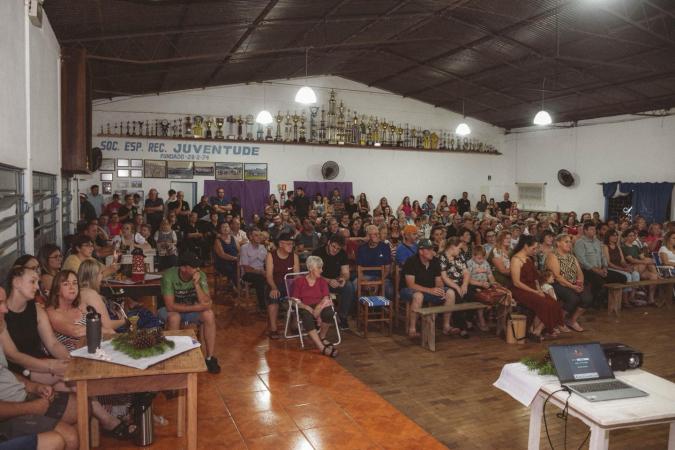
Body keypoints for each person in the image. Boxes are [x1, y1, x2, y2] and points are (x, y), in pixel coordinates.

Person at [0, 287, 78, 450]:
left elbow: (3, 372)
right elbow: (15, 356)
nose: (5, 309)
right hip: (8, 415)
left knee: (81, 405)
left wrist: (33, 387)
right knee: (68, 437)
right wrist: (31, 408)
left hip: (22, 396)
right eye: (0, 303)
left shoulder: (31, 310)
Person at [160, 252, 220, 374]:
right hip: (168, 311)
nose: (197, 269)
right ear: (183, 268)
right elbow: (170, 306)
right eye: (194, 266)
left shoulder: (200, 275)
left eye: (197, 266)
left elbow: (207, 303)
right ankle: (173, 357)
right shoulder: (169, 275)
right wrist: (197, 307)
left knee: (209, 315)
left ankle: (209, 358)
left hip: (190, 310)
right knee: (174, 317)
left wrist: (196, 285)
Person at [45, 270, 118, 352]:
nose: (72, 287)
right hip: (71, 356)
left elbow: (106, 330)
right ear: (57, 290)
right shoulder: (52, 311)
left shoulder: (80, 306)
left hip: (94, 350)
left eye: (75, 283)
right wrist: (105, 330)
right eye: (66, 284)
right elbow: (76, 331)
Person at [510, 236, 566, 342]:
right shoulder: (516, 260)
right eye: (533, 248)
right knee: (544, 303)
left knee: (553, 303)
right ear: (526, 246)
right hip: (520, 290)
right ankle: (536, 331)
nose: (535, 251)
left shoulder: (528, 258)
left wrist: (539, 289)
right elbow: (516, 282)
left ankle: (537, 330)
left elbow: (535, 279)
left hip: (532, 288)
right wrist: (535, 292)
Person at [401, 239, 456, 338]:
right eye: (429, 249)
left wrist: (440, 290)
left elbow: (438, 281)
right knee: (418, 296)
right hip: (409, 290)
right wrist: (430, 290)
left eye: (432, 249)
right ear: (421, 251)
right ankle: (412, 329)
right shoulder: (411, 261)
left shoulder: (435, 261)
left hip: (429, 290)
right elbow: (411, 285)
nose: (432, 252)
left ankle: (446, 326)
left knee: (450, 293)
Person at [289, 256, 338, 357]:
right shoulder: (299, 281)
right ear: (311, 268)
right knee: (307, 316)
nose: (322, 270)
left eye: (321, 267)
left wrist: (317, 310)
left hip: (319, 305)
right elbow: (294, 300)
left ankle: (322, 336)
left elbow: (326, 298)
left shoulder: (322, 281)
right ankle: (321, 347)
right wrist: (308, 308)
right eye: (319, 267)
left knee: (329, 312)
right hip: (304, 306)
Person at [545, 234, 593, 332]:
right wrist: (572, 286)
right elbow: (557, 276)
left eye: (570, 242)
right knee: (573, 298)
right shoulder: (553, 255)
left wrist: (580, 284)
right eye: (566, 242)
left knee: (587, 298)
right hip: (558, 283)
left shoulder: (572, 257)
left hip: (573, 284)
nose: (569, 244)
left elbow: (579, 272)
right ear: (558, 243)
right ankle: (559, 321)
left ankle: (572, 320)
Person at [574, 222, 625, 306]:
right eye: (591, 229)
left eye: (594, 229)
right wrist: (597, 270)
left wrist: (604, 267)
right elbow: (582, 261)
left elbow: (603, 256)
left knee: (622, 278)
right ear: (585, 231)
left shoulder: (597, 242)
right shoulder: (580, 243)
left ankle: (610, 300)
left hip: (601, 269)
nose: (594, 231)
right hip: (587, 270)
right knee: (600, 282)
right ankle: (596, 303)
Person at [312, 235, 353, 330]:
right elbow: (313, 273)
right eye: (333, 246)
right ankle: (317, 317)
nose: (335, 250)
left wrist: (342, 279)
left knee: (349, 286)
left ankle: (342, 316)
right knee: (315, 287)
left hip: (335, 280)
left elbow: (346, 273)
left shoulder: (342, 253)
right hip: (320, 281)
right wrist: (328, 280)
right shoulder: (318, 253)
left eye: (338, 249)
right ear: (329, 242)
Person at [265, 233, 300, 339]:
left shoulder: (294, 256)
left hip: (290, 285)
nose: (291, 246)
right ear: (280, 244)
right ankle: (273, 329)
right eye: (288, 244)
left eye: (292, 244)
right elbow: (269, 276)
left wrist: (297, 290)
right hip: (275, 284)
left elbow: (296, 276)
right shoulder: (271, 255)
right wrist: (274, 288)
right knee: (273, 297)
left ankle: (294, 324)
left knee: (299, 297)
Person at [603, 230, 641, 307]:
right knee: (627, 276)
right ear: (608, 237)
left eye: (616, 235)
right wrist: (623, 269)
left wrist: (627, 266)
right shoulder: (605, 247)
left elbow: (622, 261)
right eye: (613, 235)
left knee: (636, 274)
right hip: (611, 268)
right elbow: (608, 263)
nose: (615, 237)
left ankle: (631, 297)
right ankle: (625, 300)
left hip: (620, 267)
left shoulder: (618, 247)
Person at [356, 225, 393, 299]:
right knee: (354, 286)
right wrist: (365, 282)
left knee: (389, 291)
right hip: (366, 276)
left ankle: (383, 305)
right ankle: (362, 304)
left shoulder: (385, 247)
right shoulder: (361, 248)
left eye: (378, 233)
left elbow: (387, 269)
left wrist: (378, 283)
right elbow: (359, 269)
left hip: (382, 276)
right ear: (368, 236)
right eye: (375, 234)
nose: (378, 236)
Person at [240, 229, 269, 313]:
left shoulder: (263, 247)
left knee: (274, 276)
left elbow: (267, 262)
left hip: (261, 272)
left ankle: (276, 303)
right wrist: (261, 272)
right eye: (256, 235)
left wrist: (268, 271)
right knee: (260, 279)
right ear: (250, 237)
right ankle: (262, 307)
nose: (259, 237)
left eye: (260, 235)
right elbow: (246, 268)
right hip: (248, 273)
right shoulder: (244, 248)